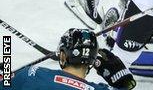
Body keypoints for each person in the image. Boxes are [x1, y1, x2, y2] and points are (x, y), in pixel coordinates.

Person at [2, 28, 135, 89]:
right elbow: (127, 86)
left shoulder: (32, 74)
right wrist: (124, 81)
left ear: (62, 55)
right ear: (93, 62)